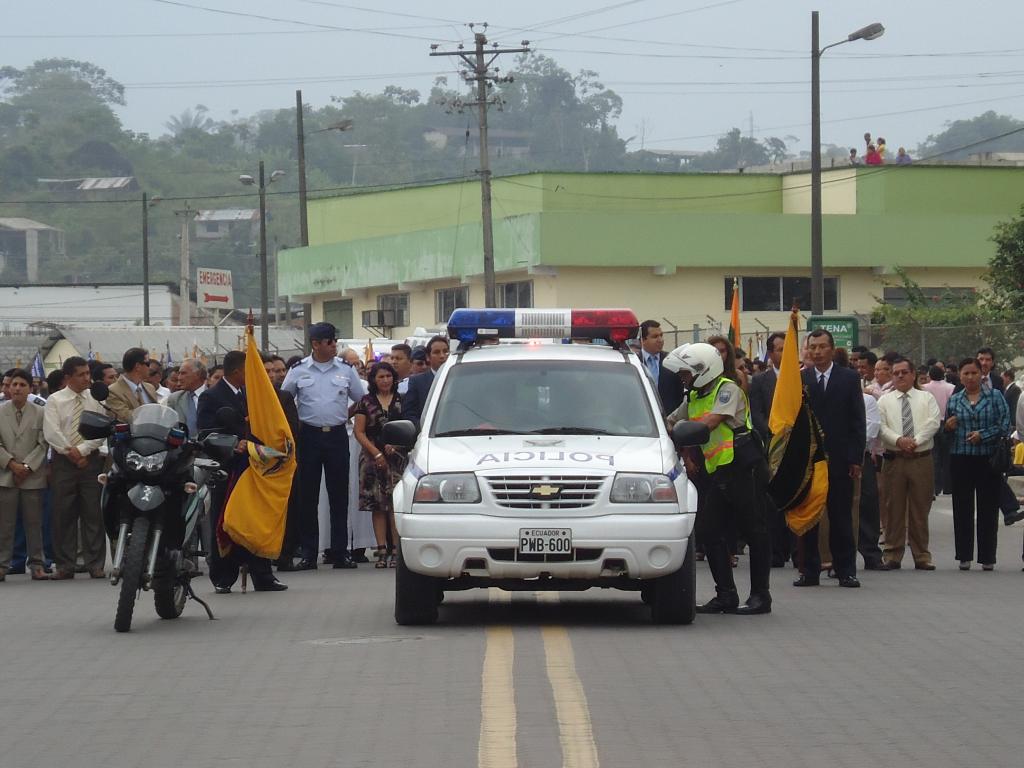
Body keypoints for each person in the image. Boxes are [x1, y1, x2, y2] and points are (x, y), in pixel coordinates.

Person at [663, 343, 772, 614]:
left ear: (702, 369)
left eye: (686, 373)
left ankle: (761, 596)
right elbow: (670, 421)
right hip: (719, 472)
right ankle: (726, 595)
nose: (683, 378)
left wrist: (681, 430)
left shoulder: (727, 389)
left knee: (754, 532)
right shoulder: (694, 397)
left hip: (744, 469)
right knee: (710, 532)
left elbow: (710, 423)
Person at [281, 322, 368, 570]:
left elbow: (362, 400)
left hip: (337, 436)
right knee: (307, 497)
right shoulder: (298, 370)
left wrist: (344, 414)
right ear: (316, 344)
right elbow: (284, 401)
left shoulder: (346, 370)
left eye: (334, 341)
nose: (334, 346)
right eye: (329, 342)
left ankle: (339, 552)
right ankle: (309, 554)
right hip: (308, 436)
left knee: (339, 496)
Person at [198, 350, 286, 592]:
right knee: (225, 521)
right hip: (227, 469)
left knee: (255, 521)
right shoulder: (211, 397)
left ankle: (262, 575)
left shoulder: (252, 395)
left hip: (254, 468)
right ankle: (223, 577)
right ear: (238, 371)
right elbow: (206, 432)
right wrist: (233, 442)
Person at [795, 329, 866, 588]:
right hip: (809, 461)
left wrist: (855, 458)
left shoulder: (848, 378)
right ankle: (809, 570)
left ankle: (845, 570)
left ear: (832, 348)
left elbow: (858, 421)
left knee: (841, 518)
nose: (817, 351)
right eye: (812, 347)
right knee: (810, 518)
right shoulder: (800, 379)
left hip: (839, 459)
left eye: (822, 346)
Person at [42, 357, 106, 580]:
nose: (87, 378)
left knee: (93, 513)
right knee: (63, 513)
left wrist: (84, 450)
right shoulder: (55, 400)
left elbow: (101, 429)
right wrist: (72, 452)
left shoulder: (95, 398)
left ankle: (95, 564)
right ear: (68, 377)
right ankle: (65, 565)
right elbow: (51, 432)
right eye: (81, 374)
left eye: (88, 373)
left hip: (90, 461)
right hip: (64, 462)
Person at [945, 357, 1010, 570]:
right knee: (962, 507)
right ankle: (964, 555)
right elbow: (946, 431)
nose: (970, 377)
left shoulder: (995, 396)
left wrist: (983, 435)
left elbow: (1004, 425)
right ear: (960, 376)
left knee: (988, 508)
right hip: (961, 457)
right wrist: (949, 427)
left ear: (980, 375)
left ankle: (987, 557)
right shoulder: (955, 399)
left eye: (974, 373)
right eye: (966, 373)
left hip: (987, 458)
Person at [877, 358, 942, 570]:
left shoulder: (926, 398)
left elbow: (933, 422)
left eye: (905, 372)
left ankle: (922, 555)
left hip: (920, 459)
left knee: (920, 509)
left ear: (913, 374)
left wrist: (916, 440)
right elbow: (881, 427)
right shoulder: (884, 401)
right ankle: (892, 554)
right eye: (896, 373)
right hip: (895, 460)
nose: (900, 376)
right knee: (892, 508)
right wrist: (899, 440)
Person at [353, 361, 407, 568]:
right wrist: (376, 453)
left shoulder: (402, 400)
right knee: (377, 505)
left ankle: (395, 550)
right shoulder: (365, 402)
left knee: (395, 504)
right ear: (373, 380)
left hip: (397, 458)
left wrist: (397, 444)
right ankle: (381, 550)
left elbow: (410, 425)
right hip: (371, 458)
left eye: (388, 376)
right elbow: (359, 431)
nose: (385, 380)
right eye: (380, 377)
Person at [0, 369, 49, 581]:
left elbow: (43, 443)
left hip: (32, 476)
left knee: (34, 522)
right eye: (14, 385)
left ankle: (37, 564)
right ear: (8, 388)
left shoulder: (40, 412)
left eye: (22, 385)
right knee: (5, 523)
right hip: (6, 474)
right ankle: (2, 564)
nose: (17, 388)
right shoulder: (1, 412)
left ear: (30, 388)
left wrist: (27, 467)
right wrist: (11, 464)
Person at [748, 331, 790, 567]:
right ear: (771, 353)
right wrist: (774, 432)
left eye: (788, 349)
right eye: (780, 349)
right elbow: (756, 414)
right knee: (771, 502)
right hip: (770, 446)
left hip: (795, 447)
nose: (785, 354)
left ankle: (796, 550)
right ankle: (775, 551)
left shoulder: (801, 379)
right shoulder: (760, 381)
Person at [637, 320, 685, 416]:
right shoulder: (635, 362)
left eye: (661, 335)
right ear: (643, 339)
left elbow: (679, 394)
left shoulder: (672, 361)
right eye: (655, 337)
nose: (660, 340)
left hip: (668, 420)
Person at [402, 335, 449, 427]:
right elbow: (409, 413)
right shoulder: (417, 381)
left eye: (445, 351)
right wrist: (423, 428)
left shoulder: (458, 379)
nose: (442, 356)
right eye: (436, 352)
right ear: (428, 356)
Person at [922, 365, 956, 495]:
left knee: (934, 456)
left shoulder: (925, 388)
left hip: (931, 422)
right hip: (947, 423)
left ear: (930, 375)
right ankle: (948, 486)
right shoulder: (950, 388)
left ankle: (935, 487)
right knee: (947, 456)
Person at [105, 347, 160, 423]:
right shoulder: (113, 391)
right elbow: (125, 417)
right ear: (138, 366)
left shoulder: (150, 388)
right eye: (147, 364)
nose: (149, 368)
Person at [165, 358, 207, 438]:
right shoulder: (174, 399)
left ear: (198, 374)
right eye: (179, 373)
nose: (179, 378)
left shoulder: (215, 396)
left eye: (183, 373)